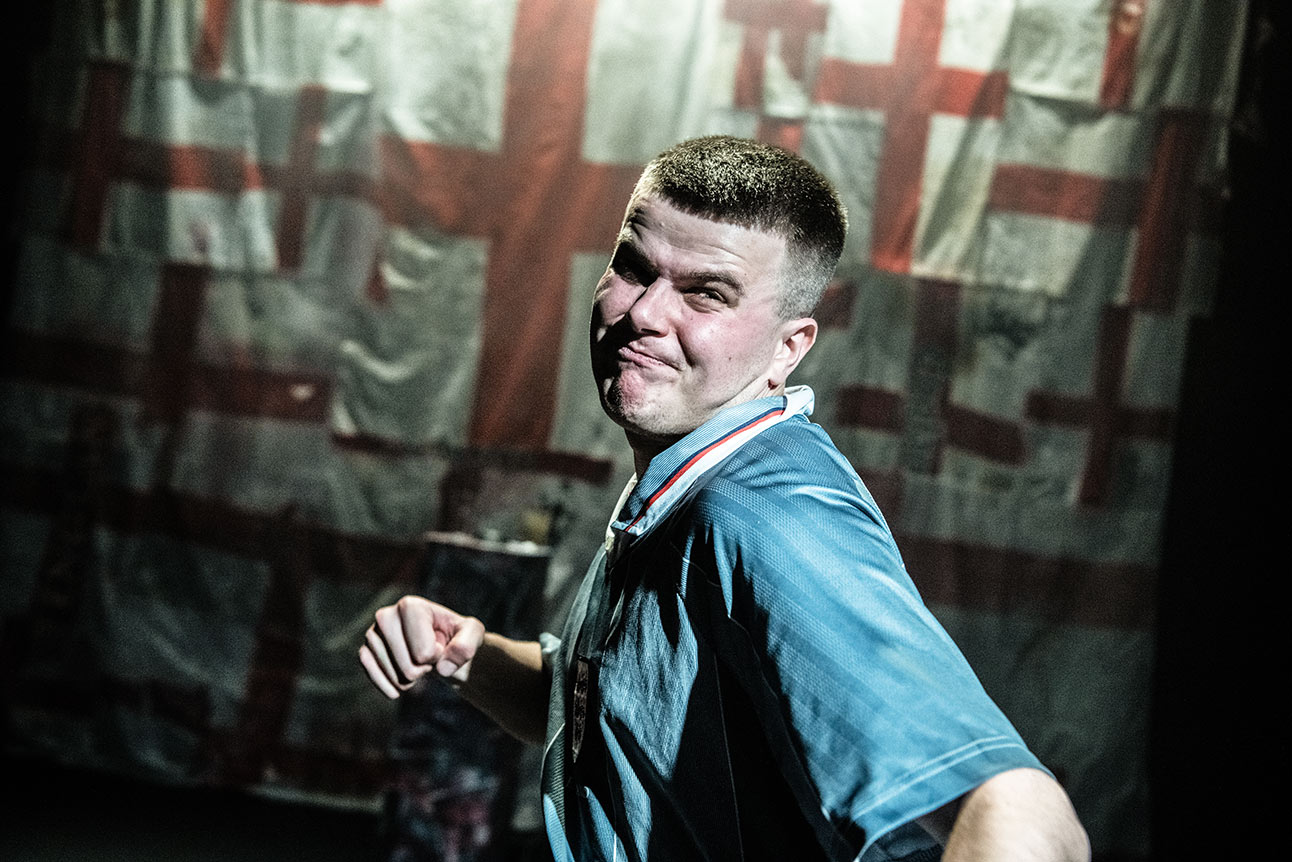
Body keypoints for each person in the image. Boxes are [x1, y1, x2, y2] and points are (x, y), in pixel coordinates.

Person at [360, 136, 1090, 862]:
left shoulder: (768, 513)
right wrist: (470, 655)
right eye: (634, 267)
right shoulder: (689, 475)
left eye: (706, 292)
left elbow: (1021, 811)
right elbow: (605, 711)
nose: (645, 313)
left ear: (788, 347)